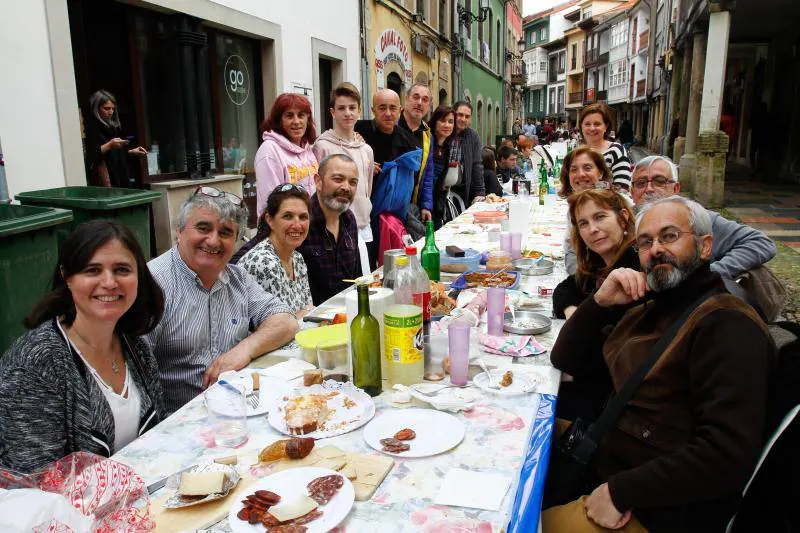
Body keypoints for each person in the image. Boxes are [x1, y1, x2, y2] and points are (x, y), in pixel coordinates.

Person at [545, 196, 774, 532]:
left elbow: (726, 454)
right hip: (606, 453)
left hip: (654, 508)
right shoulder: (654, 303)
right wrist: (599, 303)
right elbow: (565, 359)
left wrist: (620, 492)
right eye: (645, 242)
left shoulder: (727, 325)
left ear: (705, 246)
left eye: (669, 237)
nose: (655, 250)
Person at [0, 221, 165, 473]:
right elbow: (34, 479)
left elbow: (156, 438)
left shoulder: (136, 347)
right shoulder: (35, 364)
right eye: (92, 270)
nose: (109, 282)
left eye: (122, 269)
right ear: (67, 277)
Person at [145, 188, 298, 416]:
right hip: (180, 421)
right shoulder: (153, 285)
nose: (213, 240)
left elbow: (286, 321)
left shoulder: (238, 279)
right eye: (203, 228)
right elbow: (136, 374)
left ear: (236, 241)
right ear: (179, 230)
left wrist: (244, 350)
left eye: (226, 232)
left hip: (240, 410)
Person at [631, 155, 777, 279]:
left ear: (676, 189)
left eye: (660, 181)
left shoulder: (699, 219)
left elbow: (760, 243)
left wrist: (711, 274)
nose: (649, 189)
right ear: (632, 192)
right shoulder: (622, 222)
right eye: (641, 183)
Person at [313, 82, 375, 247]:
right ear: (333, 112)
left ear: (359, 111)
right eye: (341, 108)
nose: (347, 113)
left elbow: (367, 187)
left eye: (352, 107)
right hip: (335, 227)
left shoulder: (366, 149)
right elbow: (318, 190)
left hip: (363, 226)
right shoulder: (322, 146)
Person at [239, 184, 313, 317]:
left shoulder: (297, 258)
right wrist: (306, 312)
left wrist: (305, 313)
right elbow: (283, 324)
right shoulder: (263, 262)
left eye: (303, 217)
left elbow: (308, 313)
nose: (297, 225)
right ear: (270, 220)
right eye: (288, 216)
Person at [298, 154, 361, 305]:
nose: (346, 187)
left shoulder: (349, 219)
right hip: (312, 322)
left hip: (347, 315)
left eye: (353, 182)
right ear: (318, 182)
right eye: (338, 179)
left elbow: (358, 279)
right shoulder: (300, 221)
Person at [560, 147, 623, 276]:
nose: (581, 174)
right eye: (574, 170)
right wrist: (581, 280)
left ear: (600, 173)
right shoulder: (574, 207)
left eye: (587, 168)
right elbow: (572, 250)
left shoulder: (616, 203)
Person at [255, 93, 319, 219]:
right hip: (285, 230)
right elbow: (271, 204)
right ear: (279, 120)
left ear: (308, 119)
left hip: (308, 226)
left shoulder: (307, 150)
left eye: (301, 115)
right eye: (289, 116)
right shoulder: (269, 151)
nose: (296, 121)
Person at [86, 90, 147, 188]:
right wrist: (109, 145)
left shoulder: (112, 127)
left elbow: (115, 156)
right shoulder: (91, 128)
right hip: (104, 182)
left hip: (119, 178)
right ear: (96, 108)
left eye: (112, 109)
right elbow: (91, 156)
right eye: (106, 108)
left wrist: (131, 152)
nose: (110, 112)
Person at [397, 83, 435, 221]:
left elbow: (428, 174)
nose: (419, 103)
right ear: (406, 99)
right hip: (387, 204)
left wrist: (426, 205)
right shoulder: (392, 124)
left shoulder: (427, 135)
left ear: (429, 105)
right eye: (416, 97)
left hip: (412, 206)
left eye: (425, 100)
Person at [579, 103, 633, 190]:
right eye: (587, 124)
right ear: (581, 126)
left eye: (597, 124)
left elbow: (622, 187)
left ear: (606, 127)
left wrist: (592, 186)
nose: (592, 128)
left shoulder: (615, 150)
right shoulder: (579, 152)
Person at [450, 101, 485, 208]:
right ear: (453, 114)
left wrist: (480, 192)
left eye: (467, 116)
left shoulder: (473, 136)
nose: (463, 119)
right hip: (442, 188)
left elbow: (477, 165)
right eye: (460, 115)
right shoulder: (445, 130)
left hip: (463, 188)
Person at [429, 105, 456, 228]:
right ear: (435, 122)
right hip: (423, 203)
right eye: (443, 121)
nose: (447, 125)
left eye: (450, 122)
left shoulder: (446, 147)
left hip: (436, 203)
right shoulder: (427, 142)